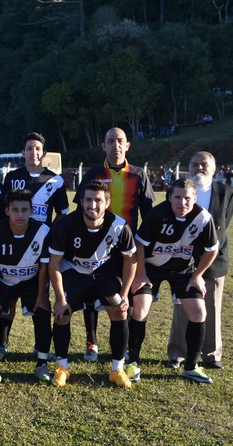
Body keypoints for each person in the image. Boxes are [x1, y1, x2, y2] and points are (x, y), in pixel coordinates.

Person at [75, 127, 154, 362]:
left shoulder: (139, 174)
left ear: (127, 145)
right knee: (91, 292)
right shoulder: (93, 173)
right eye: (110, 141)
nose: (115, 145)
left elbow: (148, 214)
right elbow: (81, 208)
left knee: (124, 293)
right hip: (95, 243)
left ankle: (126, 344)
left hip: (126, 246)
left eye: (120, 141)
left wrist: (144, 247)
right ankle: (92, 341)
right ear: (104, 145)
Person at [128, 178, 218, 384]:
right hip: (152, 268)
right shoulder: (156, 215)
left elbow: (211, 250)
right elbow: (139, 245)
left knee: (198, 311)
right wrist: (140, 274)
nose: (182, 203)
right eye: (177, 197)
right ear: (170, 197)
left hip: (183, 270)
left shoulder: (203, 218)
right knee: (140, 309)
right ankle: (132, 363)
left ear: (195, 198)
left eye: (187, 198)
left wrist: (197, 276)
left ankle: (191, 367)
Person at [48, 181, 136, 388]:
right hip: (74, 272)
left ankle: (117, 369)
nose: (93, 205)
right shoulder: (66, 224)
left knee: (119, 311)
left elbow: (130, 260)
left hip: (104, 274)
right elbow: (54, 264)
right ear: (81, 201)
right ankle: (62, 367)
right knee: (62, 313)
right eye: (88, 199)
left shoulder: (119, 226)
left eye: (98, 200)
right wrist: (60, 299)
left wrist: (124, 294)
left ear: (107, 203)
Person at [0, 134, 68, 359]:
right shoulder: (12, 177)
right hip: (13, 242)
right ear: (23, 152)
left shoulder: (55, 180)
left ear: (44, 152)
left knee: (40, 295)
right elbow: (3, 210)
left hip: (39, 246)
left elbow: (63, 213)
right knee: (8, 298)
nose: (33, 152)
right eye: (29, 148)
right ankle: (3, 342)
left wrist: (49, 233)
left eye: (37, 148)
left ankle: (40, 346)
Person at [167, 152, 233, 369]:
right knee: (181, 308)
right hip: (183, 259)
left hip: (214, 259)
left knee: (212, 307)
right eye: (195, 165)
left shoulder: (226, 192)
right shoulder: (179, 191)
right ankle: (177, 354)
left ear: (214, 169)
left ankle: (211, 355)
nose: (199, 168)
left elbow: (224, 224)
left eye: (204, 165)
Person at [0, 189, 52, 383]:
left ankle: (42, 364)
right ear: (7, 211)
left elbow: (44, 267)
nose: (19, 215)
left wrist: (41, 295)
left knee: (43, 311)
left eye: (24, 210)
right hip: (3, 282)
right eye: (15, 210)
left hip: (31, 282)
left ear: (31, 211)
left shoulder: (43, 231)